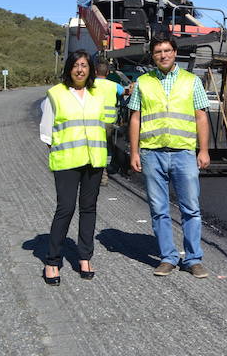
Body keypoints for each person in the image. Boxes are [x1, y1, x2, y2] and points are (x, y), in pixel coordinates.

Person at [128, 34, 211, 278]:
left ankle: (193, 259)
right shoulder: (143, 82)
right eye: (158, 52)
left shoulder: (191, 81)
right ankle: (168, 257)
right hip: (152, 153)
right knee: (159, 209)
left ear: (175, 52)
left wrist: (203, 150)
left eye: (167, 50)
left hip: (183, 153)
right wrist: (134, 151)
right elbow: (135, 118)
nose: (163, 55)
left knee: (191, 209)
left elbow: (201, 116)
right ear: (152, 56)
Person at [39, 50, 108, 285]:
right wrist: (62, 155)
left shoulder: (97, 94)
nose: (80, 69)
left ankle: (85, 257)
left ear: (90, 70)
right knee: (65, 209)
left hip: (94, 161)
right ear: (69, 68)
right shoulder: (55, 94)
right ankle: (52, 260)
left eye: (85, 65)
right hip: (67, 162)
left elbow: (103, 124)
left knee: (88, 209)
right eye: (76, 65)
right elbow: (47, 133)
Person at [92, 61, 122, 186]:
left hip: (92, 122)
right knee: (105, 148)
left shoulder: (90, 84)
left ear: (95, 72)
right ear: (108, 73)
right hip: (108, 123)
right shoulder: (114, 86)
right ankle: (103, 173)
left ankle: (95, 173)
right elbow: (125, 92)